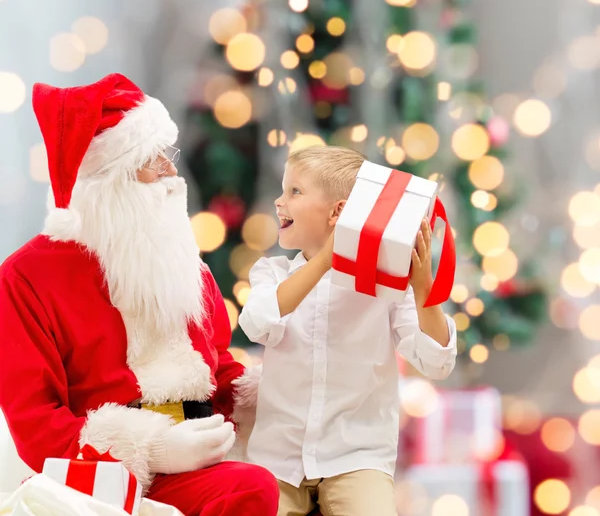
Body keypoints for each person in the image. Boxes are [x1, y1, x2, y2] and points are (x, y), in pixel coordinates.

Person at [0, 74, 278, 516]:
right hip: (99, 481)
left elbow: (215, 367)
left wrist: (274, 390)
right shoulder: (27, 277)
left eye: (169, 156)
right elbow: (37, 426)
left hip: (203, 462)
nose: (171, 173)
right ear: (109, 180)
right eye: (152, 160)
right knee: (251, 489)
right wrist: (153, 448)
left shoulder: (180, 263)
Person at [238, 145, 458, 516]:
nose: (279, 202)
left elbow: (437, 362)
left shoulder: (386, 287)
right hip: (277, 459)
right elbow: (256, 323)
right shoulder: (272, 272)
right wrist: (327, 260)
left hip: (357, 457)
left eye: (295, 191)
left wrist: (423, 290)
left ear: (337, 213)